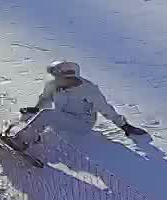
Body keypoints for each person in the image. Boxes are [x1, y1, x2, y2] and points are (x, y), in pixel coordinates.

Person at [9, 61, 147, 148]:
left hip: (81, 123)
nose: (57, 79)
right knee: (29, 113)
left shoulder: (89, 90)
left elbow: (106, 109)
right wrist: (34, 109)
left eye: (59, 77)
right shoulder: (53, 85)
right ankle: (17, 132)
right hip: (63, 117)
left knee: (46, 115)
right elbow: (45, 99)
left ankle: (23, 141)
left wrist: (125, 126)